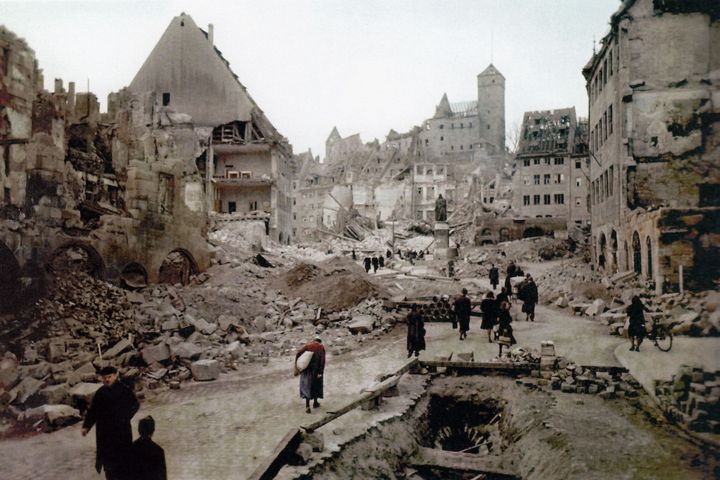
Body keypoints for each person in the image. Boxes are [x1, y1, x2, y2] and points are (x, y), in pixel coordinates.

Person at [81, 365, 139, 480]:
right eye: (104, 378)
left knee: (123, 463)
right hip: (105, 434)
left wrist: (125, 417)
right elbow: (93, 411)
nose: (107, 380)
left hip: (122, 432)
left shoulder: (124, 390)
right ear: (101, 378)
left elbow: (135, 404)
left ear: (115, 375)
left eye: (109, 377)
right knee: (108, 465)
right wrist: (86, 426)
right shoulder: (100, 393)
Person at [129, 416, 167, 480]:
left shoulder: (131, 448)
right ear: (153, 430)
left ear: (139, 430)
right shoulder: (158, 451)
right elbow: (162, 477)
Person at [295, 336, 326, 413]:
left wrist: (297, 366)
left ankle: (307, 407)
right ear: (319, 341)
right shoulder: (320, 347)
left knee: (307, 388)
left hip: (306, 371)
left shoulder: (307, 346)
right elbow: (322, 361)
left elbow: (298, 353)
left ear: (313, 340)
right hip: (315, 371)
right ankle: (315, 403)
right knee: (316, 386)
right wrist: (320, 372)